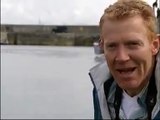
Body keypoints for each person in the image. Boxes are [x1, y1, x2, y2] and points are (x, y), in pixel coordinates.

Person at [89, 0, 160, 119]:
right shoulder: (102, 91)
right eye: (112, 46)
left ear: (155, 46)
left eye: (132, 44)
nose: (122, 57)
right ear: (102, 47)